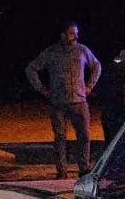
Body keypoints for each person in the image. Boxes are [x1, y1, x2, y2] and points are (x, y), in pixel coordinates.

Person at [24, 21, 102, 177]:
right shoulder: (51, 52)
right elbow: (31, 68)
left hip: (79, 101)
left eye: (76, 33)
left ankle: (84, 168)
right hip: (57, 102)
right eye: (72, 33)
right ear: (63, 35)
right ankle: (62, 170)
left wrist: (89, 86)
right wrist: (41, 89)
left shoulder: (82, 50)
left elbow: (96, 66)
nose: (75, 37)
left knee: (84, 136)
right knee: (60, 137)